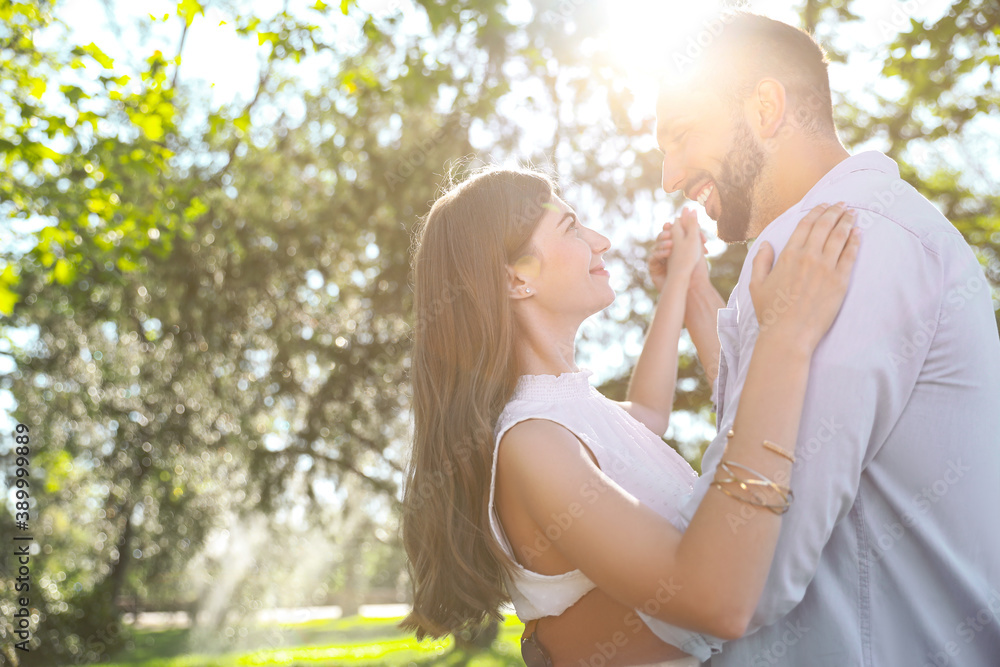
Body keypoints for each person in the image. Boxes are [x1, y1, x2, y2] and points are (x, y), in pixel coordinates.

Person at [543, 11, 1000, 666]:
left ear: (764, 107)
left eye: (681, 134)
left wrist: (562, 643)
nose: (669, 177)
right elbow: (767, 422)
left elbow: (749, 564)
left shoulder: (834, 244)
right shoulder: (867, 230)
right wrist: (696, 295)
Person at [400, 164, 860, 666]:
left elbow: (648, 413)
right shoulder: (533, 442)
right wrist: (784, 338)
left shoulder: (567, 409)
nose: (601, 241)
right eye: (571, 228)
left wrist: (681, 282)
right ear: (516, 277)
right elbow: (714, 601)